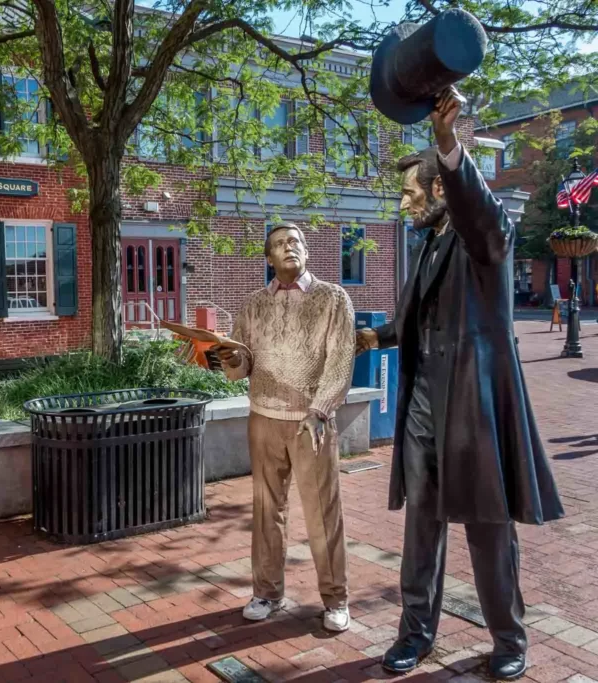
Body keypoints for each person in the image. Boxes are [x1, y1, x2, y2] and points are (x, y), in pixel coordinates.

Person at [355, 88, 564, 681]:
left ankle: (508, 640)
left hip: (473, 410)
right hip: (423, 409)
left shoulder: (485, 237)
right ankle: (414, 635)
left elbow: (481, 215)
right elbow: (406, 321)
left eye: (409, 193)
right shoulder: (426, 248)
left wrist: (447, 144)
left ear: (442, 190)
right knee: (422, 529)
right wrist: (363, 338)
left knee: (486, 532)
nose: (402, 204)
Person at [216, 223, 355, 633]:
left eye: (294, 242)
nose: (288, 247)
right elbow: (242, 368)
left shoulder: (333, 299)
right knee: (266, 510)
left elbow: (340, 360)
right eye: (279, 244)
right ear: (268, 259)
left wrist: (321, 409)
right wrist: (226, 355)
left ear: (307, 251)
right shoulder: (253, 304)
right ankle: (266, 591)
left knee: (322, 513)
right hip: (263, 419)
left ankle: (335, 598)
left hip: (310, 422)